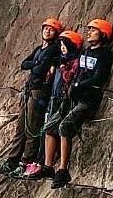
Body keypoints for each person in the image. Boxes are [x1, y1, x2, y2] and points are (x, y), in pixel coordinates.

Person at [39, 18, 113, 189]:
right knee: (50, 126)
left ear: (102, 34)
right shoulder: (86, 52)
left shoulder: (104, 54)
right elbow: (79, 72)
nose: (89, 32)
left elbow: (99, 77)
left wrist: (79, 85)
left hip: (88, 99)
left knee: (65, 127)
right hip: (73, 97)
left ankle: (63, 170)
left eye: (93, 30)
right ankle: (48, 166)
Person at [0, 18, 63, 176]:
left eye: (51, 29)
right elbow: (24, 64)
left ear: (56, 33)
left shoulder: (53, 49)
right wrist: (37, 62)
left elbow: (40, 68)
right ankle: (12, 160)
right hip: (29, 89)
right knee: (21, 127)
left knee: (32, 127)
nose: (47, 31)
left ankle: (26, 162)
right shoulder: (38, 49)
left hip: (39, 90)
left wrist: (36, 64)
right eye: (45, 28)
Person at [21, 30, 82, 179]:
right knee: (47, 129)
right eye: (60, 44)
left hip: (64, 101)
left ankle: (55, 167)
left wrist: (60, 66)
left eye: (64, 44)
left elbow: (68, 78)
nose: (62, 47)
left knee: (59, 129)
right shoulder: (59, 60)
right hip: (54, 98)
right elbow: (25, 64)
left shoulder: (73, 62)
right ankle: (45, 165)